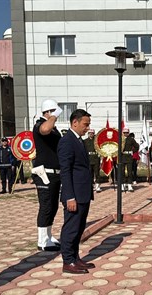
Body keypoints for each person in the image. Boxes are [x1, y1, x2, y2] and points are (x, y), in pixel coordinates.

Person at [58, 109, 95, 274]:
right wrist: (70, 197)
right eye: (85, 124)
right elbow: (65, 171)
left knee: (79, 227)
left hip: (83, 192)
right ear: (75, 122)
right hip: (74, 194)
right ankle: (68, 261)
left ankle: (75, 257)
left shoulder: (78, 140)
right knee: (71, 228)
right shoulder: (67, 141)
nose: (87, 128)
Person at [31, 99, 63, 251]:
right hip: (45, 173)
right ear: (49, 112)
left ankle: (49, 235)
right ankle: (42, 240)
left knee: (53, 205)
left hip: (55, 173)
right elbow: (44, 130)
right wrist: (53, 116)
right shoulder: (39, 124)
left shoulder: (54, 129)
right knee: (46, 206)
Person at [83, 128, 101, 192]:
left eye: (92, 133)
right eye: (90, 133)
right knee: (89, 173)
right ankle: (91, 185)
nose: (91, 134)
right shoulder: (85, 141)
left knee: (97, 173)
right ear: (88, 134)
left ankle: (97, 185)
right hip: (88, 159)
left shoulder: (97, 141)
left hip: (96, 159)